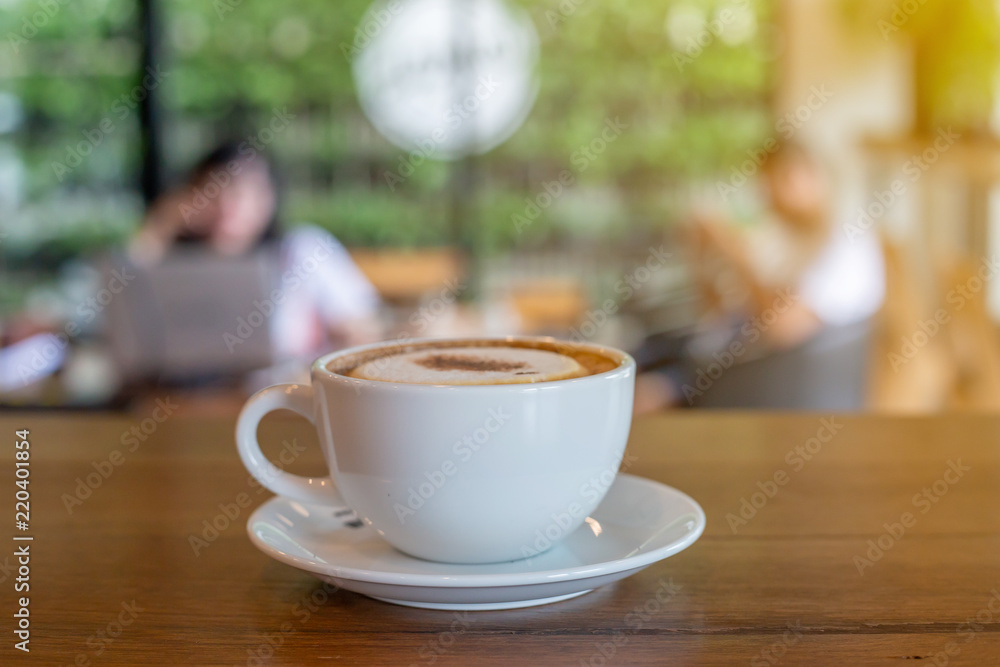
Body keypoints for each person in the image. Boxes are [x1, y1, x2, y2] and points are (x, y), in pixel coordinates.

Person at [633, 141, 885, 412]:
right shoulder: (780, 240)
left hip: (752, 378)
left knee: (638, 394)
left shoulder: (848, 246)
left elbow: (782, 327)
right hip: (717, 353)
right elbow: (719, 313)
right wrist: (703, 259)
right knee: (626, 357)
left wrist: (731, 249)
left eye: (781, 181)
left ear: (815, 177)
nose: (770, 196)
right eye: (764, 184)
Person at [129, 143, 382, 365]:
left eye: (239, 192)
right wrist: (162, 224)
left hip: (284, 401)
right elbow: (124, 302)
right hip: (193, 405)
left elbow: (363, 325)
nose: (227, 205)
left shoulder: (301, 250)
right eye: (212, 191)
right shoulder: (174, 261)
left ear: (268, 198)